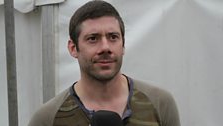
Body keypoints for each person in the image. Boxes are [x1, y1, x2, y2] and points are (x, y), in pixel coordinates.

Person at [28, 0, 180, 126]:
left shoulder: (160, 104)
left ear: (123, 45)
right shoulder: (47, 119)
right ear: (73, 48)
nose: (105, 47)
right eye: (93, 38)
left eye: (113, 37)